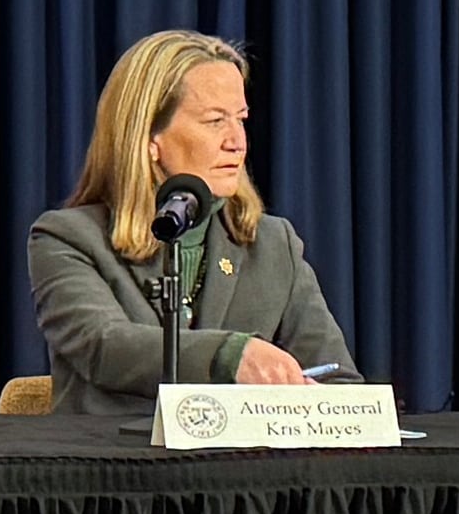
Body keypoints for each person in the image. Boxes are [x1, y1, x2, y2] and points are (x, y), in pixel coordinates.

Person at [27, 30, 353, 418]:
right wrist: (231, 356)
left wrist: (317, 404)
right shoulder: (68, 239)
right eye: (215, 121)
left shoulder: (272, 243)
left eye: (241, 119)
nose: (237, 142)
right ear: (149, 137)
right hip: (115, 467)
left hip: (242, 473)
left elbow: (340, 382)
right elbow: (104, 345)